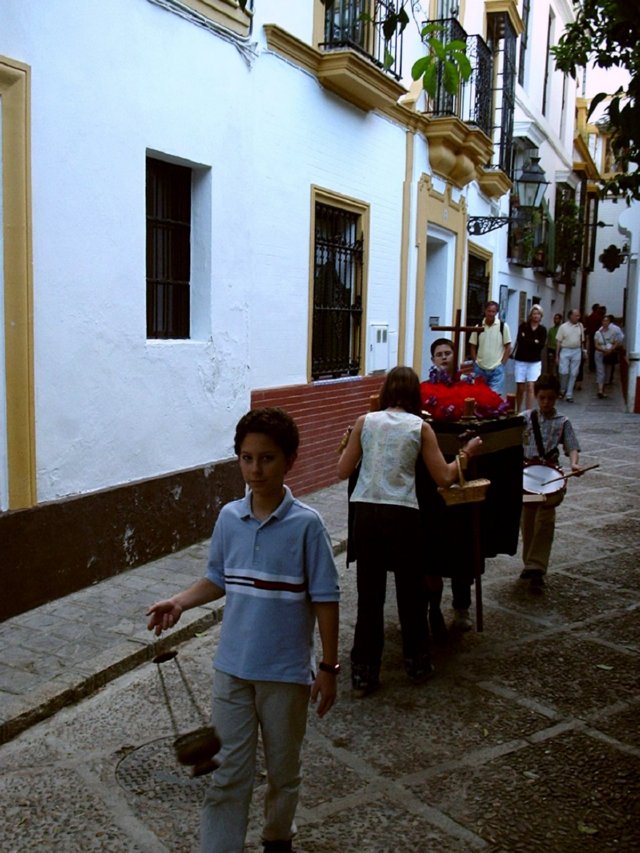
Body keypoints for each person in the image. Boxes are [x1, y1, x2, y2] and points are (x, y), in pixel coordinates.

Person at [147, 407, 340, 853]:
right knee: (228, 773)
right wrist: (178, 601)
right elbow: (217, 578)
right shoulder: (229, 518)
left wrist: (328, 667)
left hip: (285, 675)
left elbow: (325, 599)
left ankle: (277, 838)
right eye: (247, 458)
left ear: (289, 460)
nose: (255, 469)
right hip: (232, 669)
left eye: (267, 458)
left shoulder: (307, 526)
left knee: (283, 771)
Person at [337, 366, 482, 696]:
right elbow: (444, 477)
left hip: (366, 513)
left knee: (369, 596)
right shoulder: (421, 427)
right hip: (403, 513)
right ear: (416, 394)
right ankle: (417, 663)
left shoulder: (365, 422)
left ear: (386, 391)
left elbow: (342, 469)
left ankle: (364, 673)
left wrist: (349, 445)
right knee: (410, 594)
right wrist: (466, 453)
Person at [520, 374, 582, 587]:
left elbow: (572, 445)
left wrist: (574, 463)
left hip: (551, 478)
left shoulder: (563, 422)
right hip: (527, 476)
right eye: (542, 398)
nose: (546, 402)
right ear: (536, 396)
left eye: (551, 398)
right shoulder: (524, 419)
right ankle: (529, 564)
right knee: (528, 521)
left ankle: (536, 567)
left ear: (557, 398)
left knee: (545, 519)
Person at [469, 301, 512, 396]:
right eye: (489, 311)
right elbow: (473, 345)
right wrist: (475, 361)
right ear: (485, 311)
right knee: (479, 396)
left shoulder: (503, 326)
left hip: (497, 369)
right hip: (480, 368)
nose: (491, 314)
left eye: (493, 311)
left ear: (496, 313)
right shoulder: (478, 326)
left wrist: (502, 363)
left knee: (494, 398)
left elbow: (508, 346)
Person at [513, 305, 547, 412]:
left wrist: (530, 341)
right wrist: (533, 342)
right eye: (534, 313)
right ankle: (518, 410)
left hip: (534, 361)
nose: (536, 316)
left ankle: (528, 412)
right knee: (520, 387)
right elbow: (520, 341)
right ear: (531, 315)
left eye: (538, 314)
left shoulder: (542, 330)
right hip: (521, 360)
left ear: (541, 316)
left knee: (531, 386)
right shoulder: (523, 326)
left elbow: (540, 345)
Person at [555, 308, 585, 402]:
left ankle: (569, 394)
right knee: (563, 371)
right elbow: (559, 342)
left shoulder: (580, 326)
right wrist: (557, 355)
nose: (578, 317)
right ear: (570, 316)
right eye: (576, 315)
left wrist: (583, 351)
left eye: (578, 315)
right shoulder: (563, 327)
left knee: (574, 373)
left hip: (577, 350)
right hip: (565, 350)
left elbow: (582, 340)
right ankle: (563, 389)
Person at [594, 314, 625, 398]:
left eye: (607, 321)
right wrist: (604, 350)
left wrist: (610, 349)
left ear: (609, 322)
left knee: (607, 372)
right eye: (604, 321)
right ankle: (600, 390)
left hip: (609, 353)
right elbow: (596, 344)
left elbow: (616, 342)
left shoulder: (613, 332)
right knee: (601, 372)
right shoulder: (598, 332)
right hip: (600, 353)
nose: (605, 323)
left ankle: (604, 388)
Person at [585, 303, 601, 372]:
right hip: (597, 335)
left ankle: (591, 366)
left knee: (591, 351)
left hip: (591, 335)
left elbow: (587, 326)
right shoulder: (598, 317)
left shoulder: (590, 317)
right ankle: (595, 366)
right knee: (597, 351)